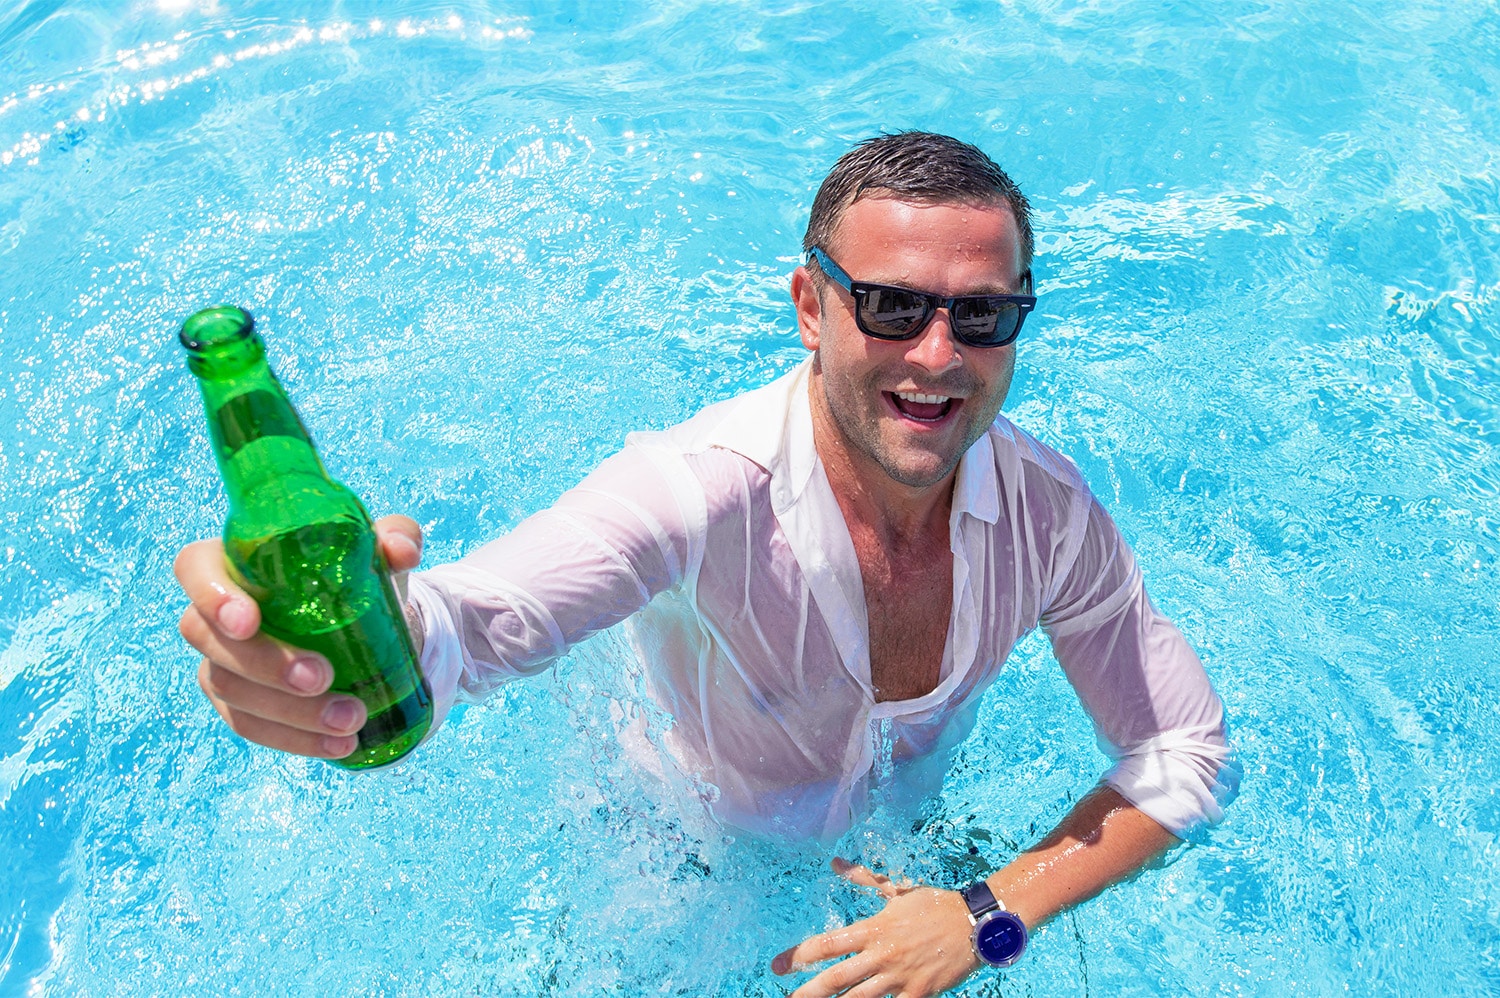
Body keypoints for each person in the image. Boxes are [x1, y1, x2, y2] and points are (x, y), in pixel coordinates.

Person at [175, 131, 1236, 997]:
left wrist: (986, 912)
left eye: (984, 314)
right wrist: (329, 649)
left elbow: (1185, 751)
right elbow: (465, 627)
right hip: (679, 863)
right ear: (810, 307)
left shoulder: (1049, 517)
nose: (938, 354)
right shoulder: (696, 491)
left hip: (901, 857)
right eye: (893, 305)